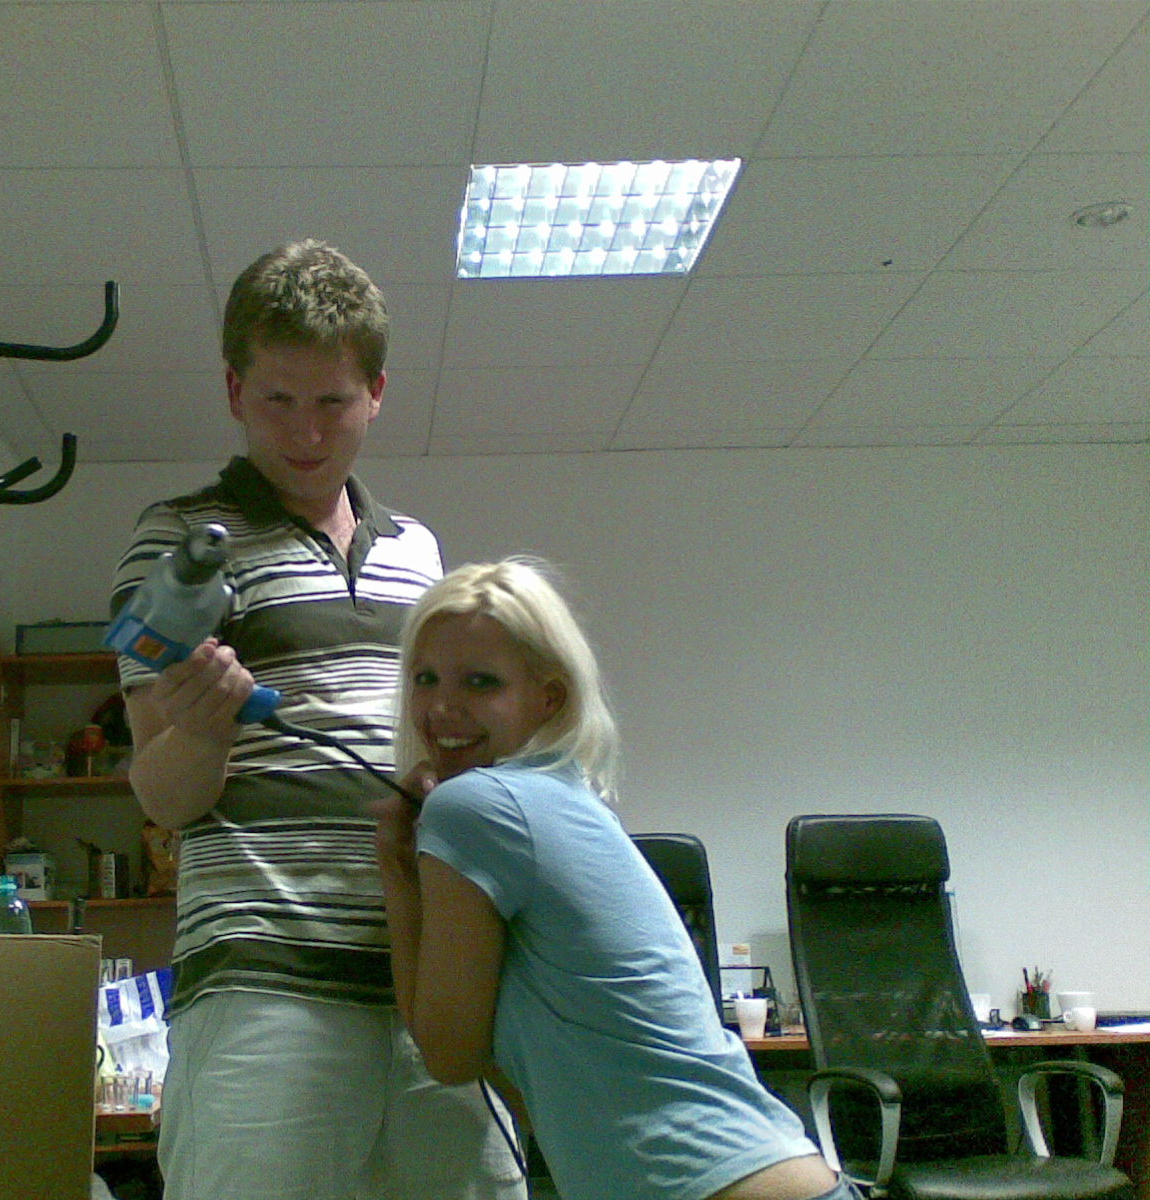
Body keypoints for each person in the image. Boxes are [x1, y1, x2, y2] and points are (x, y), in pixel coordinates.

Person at [110, 240, 526, 1200]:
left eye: (332, 402)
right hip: (264, 985)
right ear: (234, 391)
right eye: (277, 400)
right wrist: (203, 730)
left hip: (428, 973)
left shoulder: (419, 553)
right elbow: (161, 795)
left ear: (376, 392)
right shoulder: (178, 542)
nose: (305, 432)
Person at [373, 558, 860, 1200]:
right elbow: (548, 1086)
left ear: (549, 698)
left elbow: (449, 1055)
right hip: (784, 1171)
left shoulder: (472, 808)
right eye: (425, 678)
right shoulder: (571, 800)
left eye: (480, 682)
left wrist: (395, 870)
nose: (442, 707)